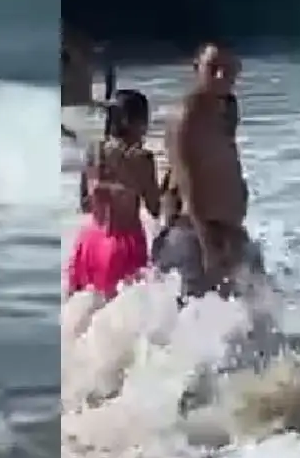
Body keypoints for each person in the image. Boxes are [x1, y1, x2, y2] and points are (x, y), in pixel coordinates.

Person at [164, 44, 249, 281]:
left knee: (262, 309)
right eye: (213, 68)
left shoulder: (226, 108)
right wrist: (207, 244)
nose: (222, 75)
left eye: (228, 69)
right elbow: (185, 181)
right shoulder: (188, 115)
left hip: (226, 233)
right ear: (196, 68)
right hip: (197, 237)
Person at [66, 91, 160, 299]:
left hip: (88, 242)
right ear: (132, 121)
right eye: (145, 120)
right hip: (123, 247)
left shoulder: (94, 150)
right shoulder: (142, 158)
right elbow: (155, 207)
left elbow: (85, 204)